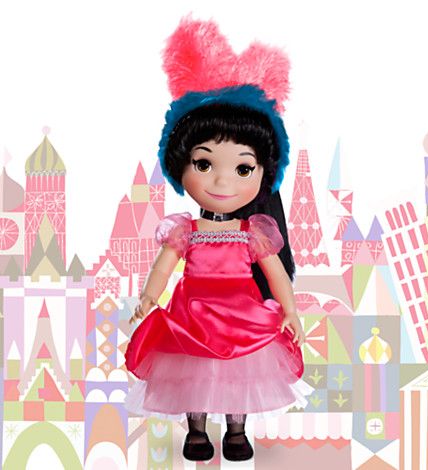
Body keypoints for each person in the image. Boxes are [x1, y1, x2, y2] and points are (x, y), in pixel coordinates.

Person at [124, 18, 314, 462]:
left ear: (264, 174)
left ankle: (236, 430)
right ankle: (197, 430)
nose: (223, 181)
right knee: (193, 373)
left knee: (237, 376)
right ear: (181, 167)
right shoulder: (185, 230)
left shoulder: (254, 232)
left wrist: (289, 310)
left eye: (243, 168)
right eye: (204, 164)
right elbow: (163, 268)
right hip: (192, 313)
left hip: (243, 315)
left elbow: (275, 274)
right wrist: (149, 297)